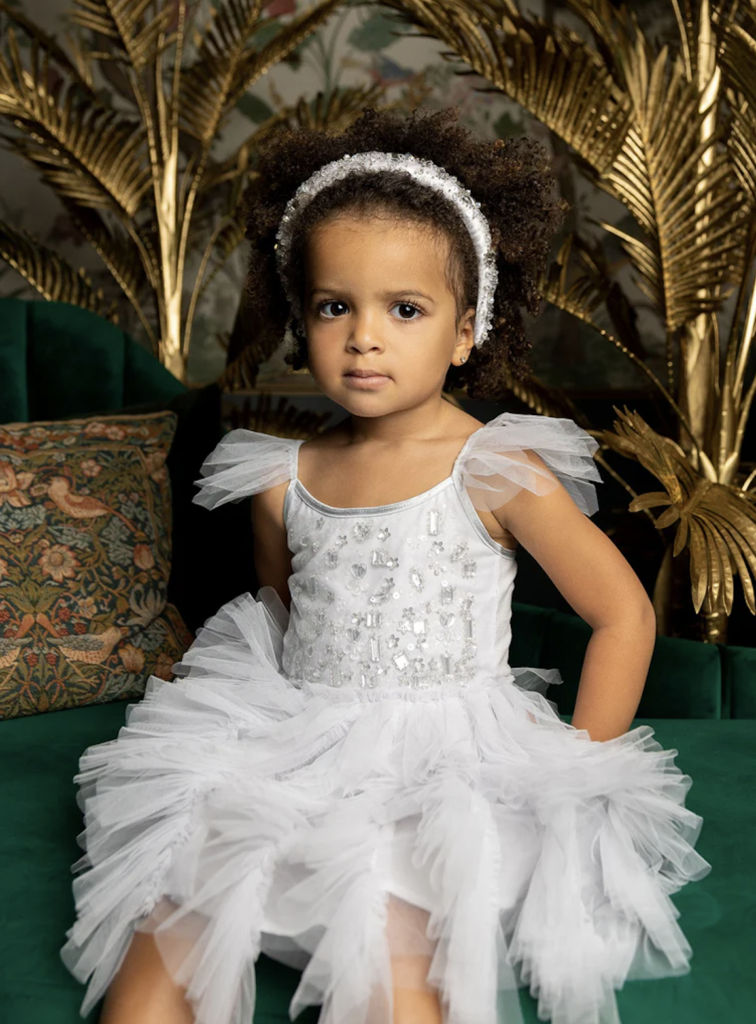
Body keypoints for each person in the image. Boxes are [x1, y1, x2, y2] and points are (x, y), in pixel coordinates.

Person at [61, 107, 712, 1024]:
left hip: (447, 762)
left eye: (405, 309)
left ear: (465, 331)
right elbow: (286, 621)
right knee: (165, 941)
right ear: (302, 320)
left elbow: (624, 615)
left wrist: (577, 774)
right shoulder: (280, 480)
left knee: (398, 976)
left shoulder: (495, 469)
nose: (365, 336)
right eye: (336, 306)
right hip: (302, 742)